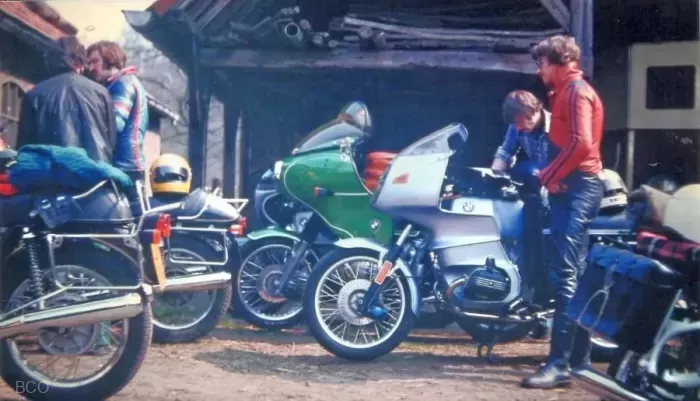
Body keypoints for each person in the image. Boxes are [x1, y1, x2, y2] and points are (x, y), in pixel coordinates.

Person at [521, 35, 605, 389]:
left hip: (578, 189)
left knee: (566, 278)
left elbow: (581, 143)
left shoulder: (575, 92)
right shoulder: (567, 91)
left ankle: (559, 365)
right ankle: (578, 361)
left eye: (541, 64)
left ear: (557, 62)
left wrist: (549, 175)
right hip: (574, 188)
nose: (539, 72)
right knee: (574, 276)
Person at [491, 90, 552, 309]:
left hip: (556, 189)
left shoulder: (556, 127)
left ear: (532, 112)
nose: (517, 127)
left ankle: (545, 293)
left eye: (520, 122)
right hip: (536, 190)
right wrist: (494, 174)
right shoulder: (516, 126)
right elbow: (505, 152)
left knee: (544, 244)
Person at [16, 36, 117, 163]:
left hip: (50, 171)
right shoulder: (101, 93)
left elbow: (24, 149)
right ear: (81, 63)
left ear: (50, 63)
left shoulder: (34, 95)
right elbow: (112, 141)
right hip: (94, 171)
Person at [85, 40, 149, 214]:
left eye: (95, 61)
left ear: (110, 58)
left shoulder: (123, 83)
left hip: (125, 166)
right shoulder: (120, 83)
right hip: (128, 165)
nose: (91, 67)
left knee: (127, 221)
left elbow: (114, 123)